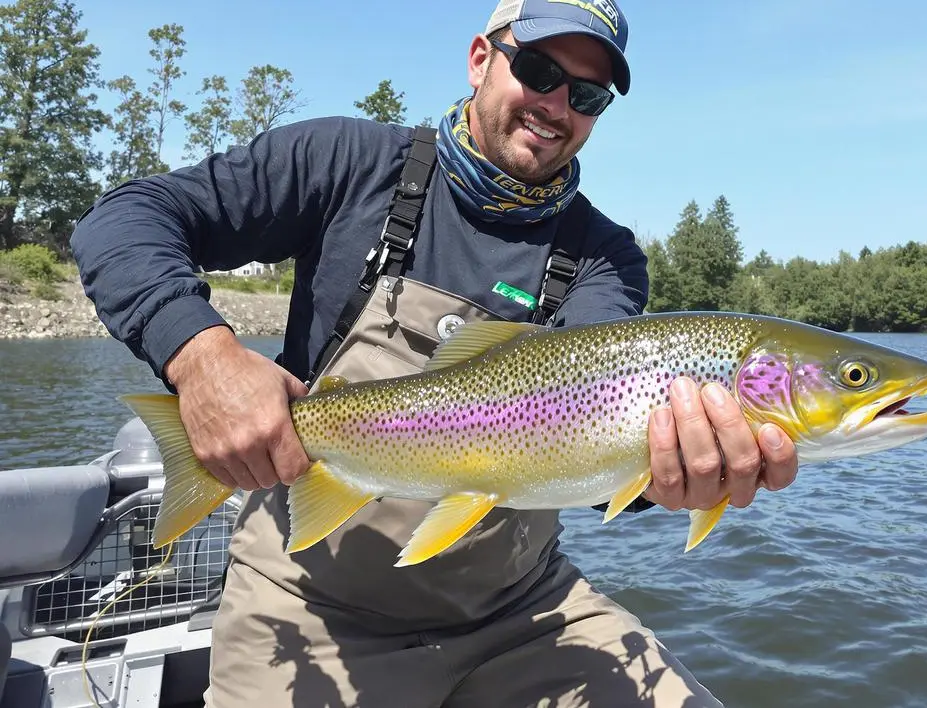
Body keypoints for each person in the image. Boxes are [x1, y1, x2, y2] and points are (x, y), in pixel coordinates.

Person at [70, 1, 798, 705]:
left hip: (520, 611)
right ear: (482, 59)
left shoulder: (606, 258)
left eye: (586, 95)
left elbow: (591, 427)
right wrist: (201, 356)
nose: (556, 105)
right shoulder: (347, 163)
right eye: (539, 71)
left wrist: (673, 475)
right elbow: (126, 220)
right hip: (308, 598)